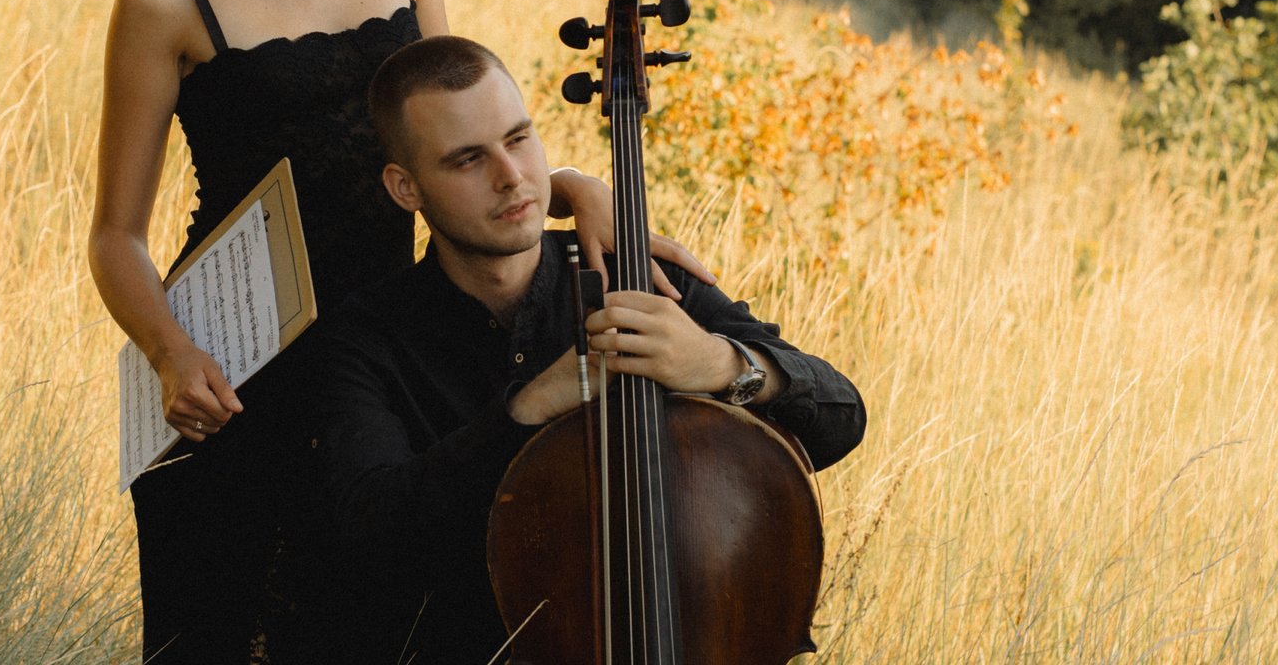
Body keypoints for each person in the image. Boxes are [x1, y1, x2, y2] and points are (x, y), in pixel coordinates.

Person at [88, 0, 710, 665]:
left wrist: (571, 186)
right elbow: (115, 236)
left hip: (394, 361)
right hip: (237, 380)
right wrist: (170, 356)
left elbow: (448, 132)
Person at [309, 36, 867, 663]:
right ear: (406, 188)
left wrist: (721, 364)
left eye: (519, 138)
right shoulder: (368, 337)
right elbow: (368, 530)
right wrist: (528, 409)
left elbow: (842, 416)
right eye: (468, 160)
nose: (511, 177)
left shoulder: (642, 280)